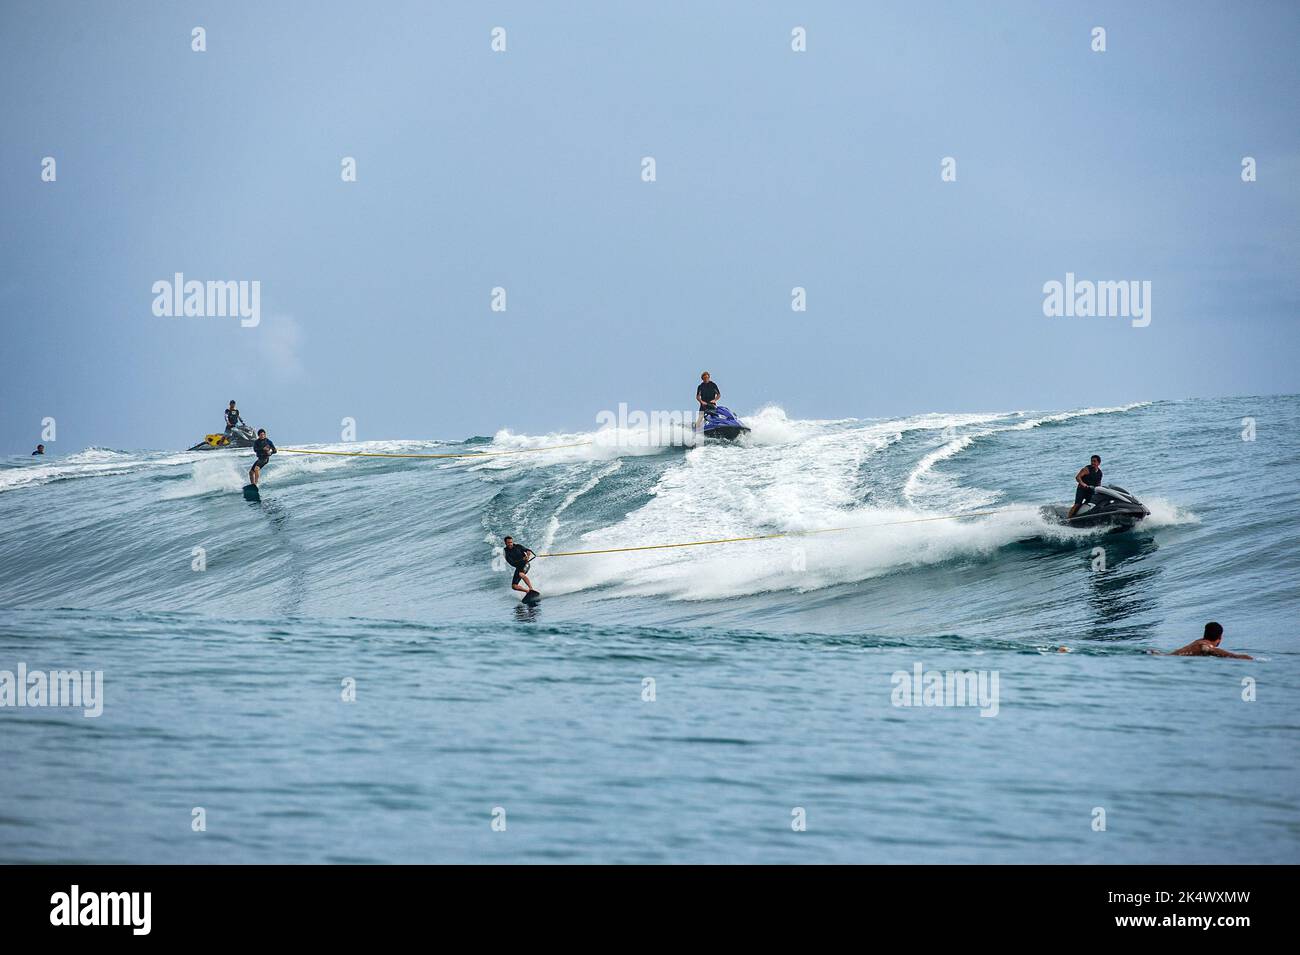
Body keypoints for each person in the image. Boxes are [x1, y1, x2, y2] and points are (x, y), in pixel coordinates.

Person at [1169, 622, 1252, 660]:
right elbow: (1206, 649)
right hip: (1168, 659)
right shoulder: (1204, 645)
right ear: (1220, 638)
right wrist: (1238, 657)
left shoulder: (1198, 641)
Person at [1066, 454, 1104, 520]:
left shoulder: (1100, 473)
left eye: (1094, 461)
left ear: (1099, 463)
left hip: (1090, 491)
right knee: (1077, 504)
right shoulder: (1086, 469)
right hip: (1082, 489)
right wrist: (1083, 484)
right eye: (1091, 461)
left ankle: (1080, 516)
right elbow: (1078, 477)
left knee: (1089, 504)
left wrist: (1099, 490)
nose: (1092, 463)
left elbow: (1098, 483)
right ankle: (1068, 519)